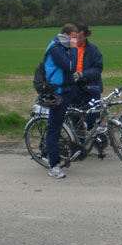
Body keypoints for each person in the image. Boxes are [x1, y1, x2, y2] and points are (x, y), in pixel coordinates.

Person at [43, 23, 78, 179]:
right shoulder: (56, 49)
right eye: (74, 37)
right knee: (54, 129)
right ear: (66, 35)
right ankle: (54, 166)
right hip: (57, 94)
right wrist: (74, 48)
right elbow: (71, 66)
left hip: (67, 90)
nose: (76, 39)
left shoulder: (62, 47)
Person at [72, 23, 104, 130]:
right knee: (75, 119)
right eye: (75, 37)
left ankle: (92, 134)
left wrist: (82, 74)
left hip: (91, 88)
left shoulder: (93, 50)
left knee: (92, 120)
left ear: (85, 36)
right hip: (75, 88)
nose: (77, 40)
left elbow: (98, 69)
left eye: (79, 38)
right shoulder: (70, 48)